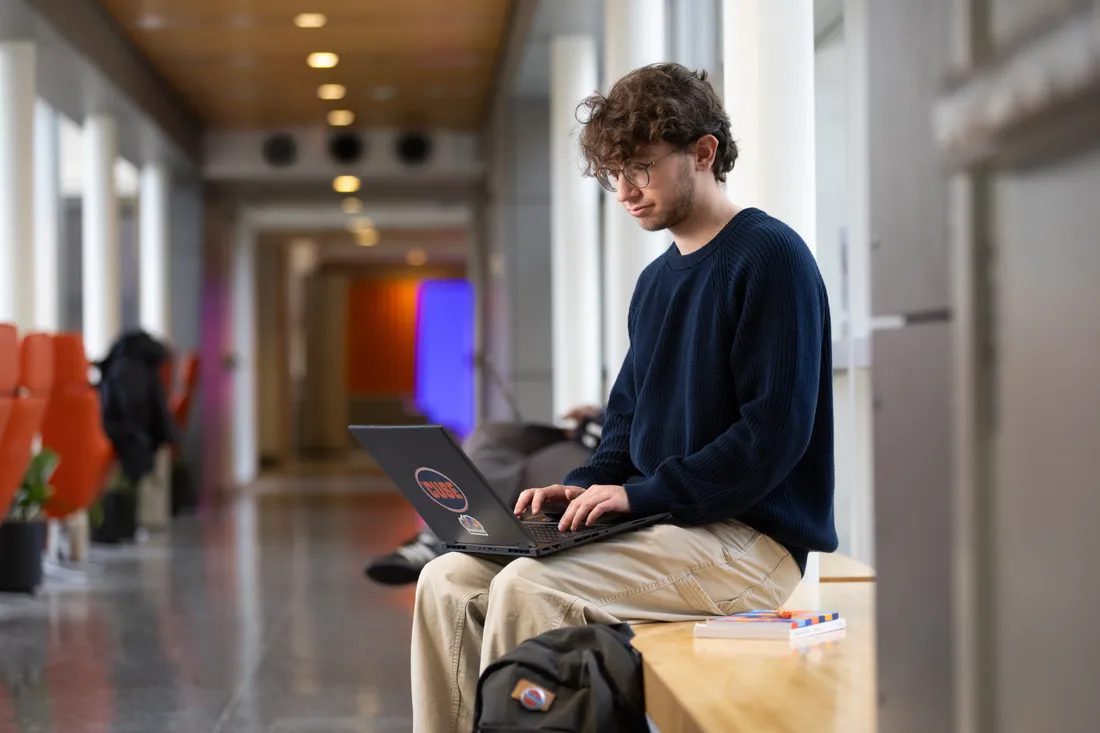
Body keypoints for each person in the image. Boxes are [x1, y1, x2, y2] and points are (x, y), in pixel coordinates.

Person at [411, 63, 837, 733]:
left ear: (704, 151)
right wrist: (580, 488)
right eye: (613, 173)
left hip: (750, 545)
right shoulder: (655, 283)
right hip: (666, 530)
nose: (624, 190)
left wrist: (639, 495)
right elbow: (624, 426)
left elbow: (772, 437)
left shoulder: (770, 256)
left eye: (638, 167)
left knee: (530, 586)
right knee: (448, 580)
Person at [364, 405, 606, 585]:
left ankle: (435, 542)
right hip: (590, 427)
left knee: (521, 470)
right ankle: (447, 539)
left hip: (600, 446)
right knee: (489, 434)